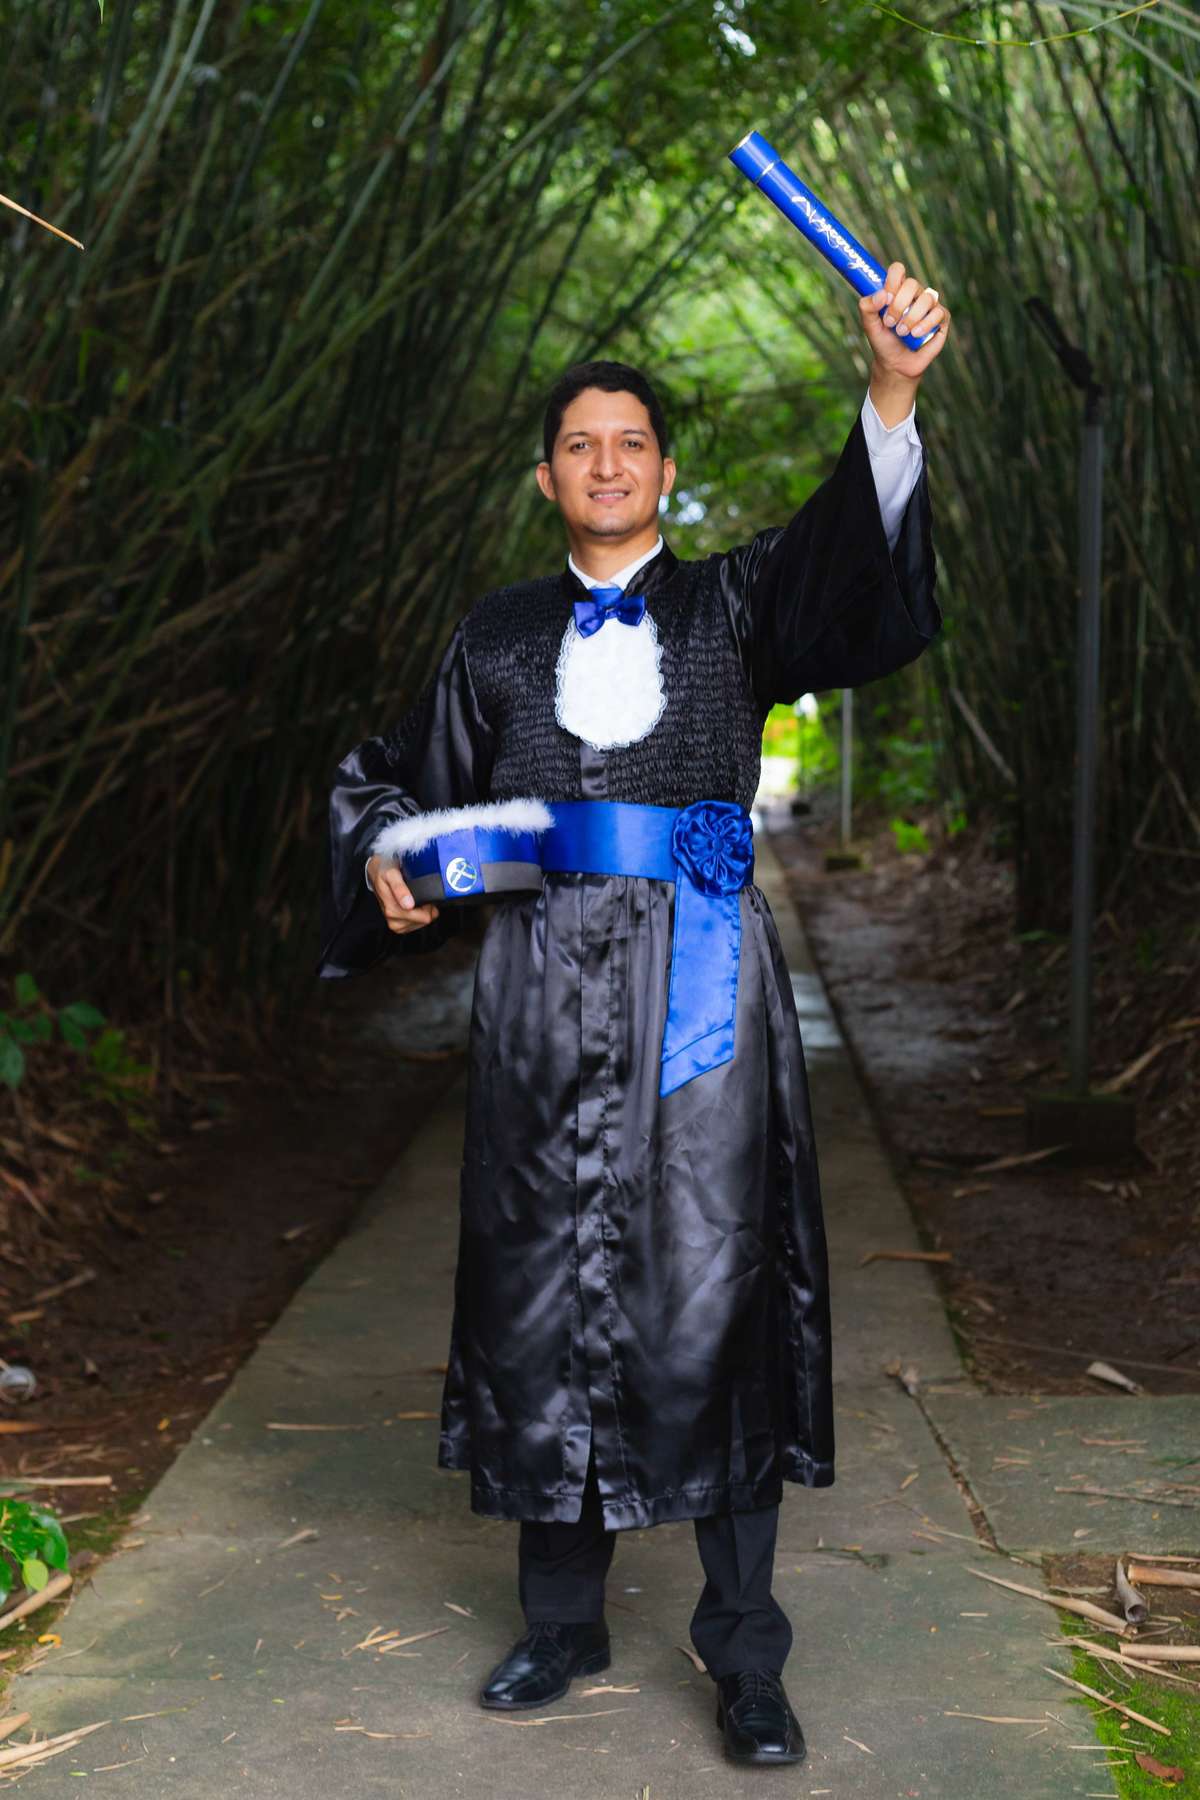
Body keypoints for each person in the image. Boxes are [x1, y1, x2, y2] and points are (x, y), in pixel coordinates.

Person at [318, 264, 949, 1766]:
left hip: (705, 990)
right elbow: (403, 780)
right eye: (579, 445)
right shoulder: (493, 635)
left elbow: (851, 568)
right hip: (540, 987)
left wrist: (891, 389)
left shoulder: (737, 604)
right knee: (542, 1286)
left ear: (667, 471)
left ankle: (745, 1653)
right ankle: (560, 1623)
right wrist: (390, 857)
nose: (607, 464)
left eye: (633, 443)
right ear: (546, 478)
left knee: (719, 1295)